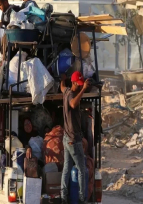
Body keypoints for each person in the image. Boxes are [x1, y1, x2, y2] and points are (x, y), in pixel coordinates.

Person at [60, 71, 90, 204]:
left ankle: (63, 197)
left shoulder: (65, 90)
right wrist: (83, 90)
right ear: (73, 83)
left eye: (81, 85)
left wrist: (63, 79)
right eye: (78, 84)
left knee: (66, 168)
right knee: (82, 170)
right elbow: (73, 104)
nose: (79, 86)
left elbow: (61, 86)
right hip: (73, 139)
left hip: (66, 138)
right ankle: (82, 199)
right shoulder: (71, 94)